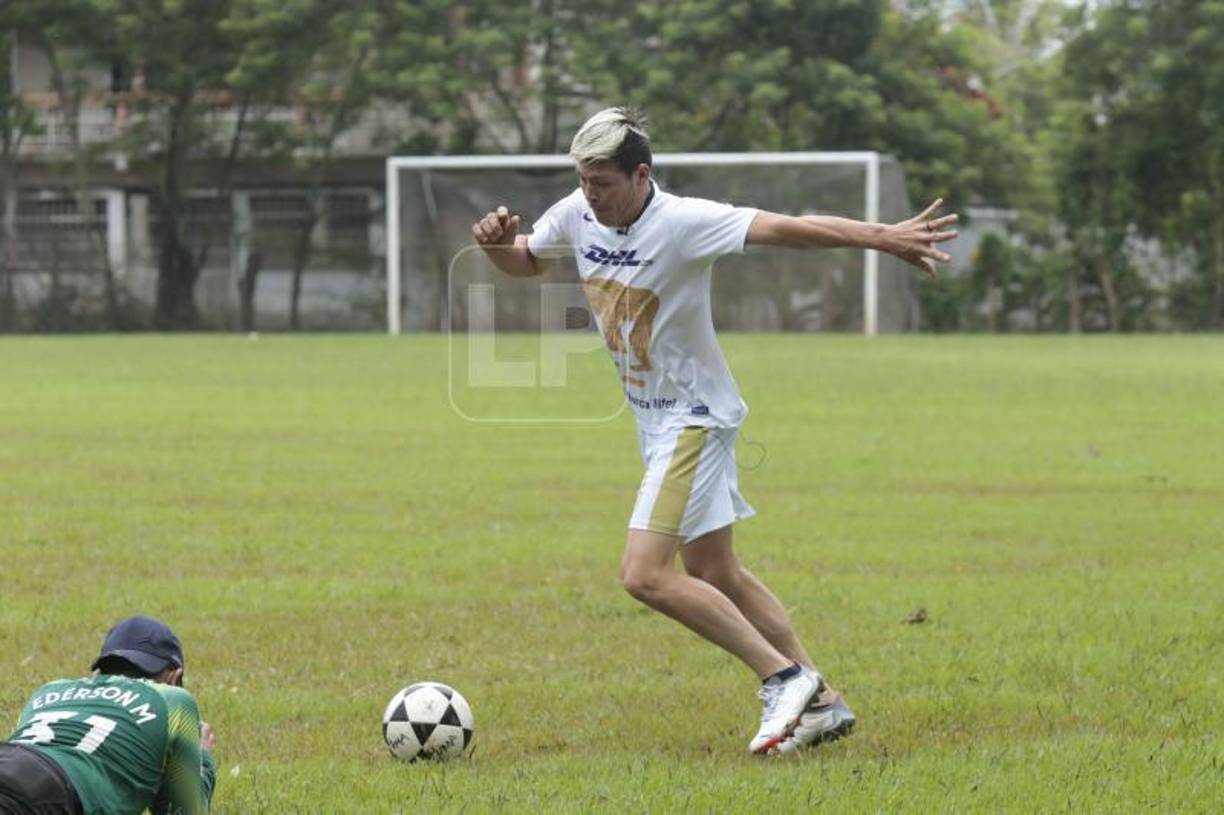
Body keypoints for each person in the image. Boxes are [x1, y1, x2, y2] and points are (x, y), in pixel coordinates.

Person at [471, 107, 958, 755]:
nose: (591, 193)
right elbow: (527, 263)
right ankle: (826, 703)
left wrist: (881, 237)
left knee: (644, 575)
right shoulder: (576, 212)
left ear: (641, 175)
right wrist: (496, 247)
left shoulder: (684, 222)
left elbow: (790, 229)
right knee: (716, 569)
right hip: (656, 421)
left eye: (604, 182)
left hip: (692, 419)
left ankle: (785, 678)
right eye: (584, 180)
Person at [1, 615, 217, 813]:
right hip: (50, 791)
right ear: (175, 678)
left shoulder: (47, 690)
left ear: (97, 672)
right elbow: (181, 811)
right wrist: (204, 763)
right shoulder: (173, 700)